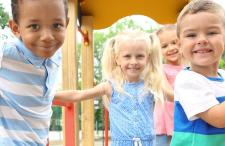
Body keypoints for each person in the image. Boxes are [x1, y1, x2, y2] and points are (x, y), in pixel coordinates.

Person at [55, 30, 173, 146]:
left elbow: (174, 97)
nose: (134, 61)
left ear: (147, 57)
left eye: (140, 56)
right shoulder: (111, 86)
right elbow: (78, 95)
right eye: (127, 56)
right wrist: (49, 95)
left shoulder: (152, 84)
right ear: (117, 59)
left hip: (148, 142)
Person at [0, 0, 69, 145]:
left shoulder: (55, 56)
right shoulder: (6, 53)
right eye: (34, 26)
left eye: (56, 25)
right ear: (16, 28)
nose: (47, 37)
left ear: (66, 24)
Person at [170, 0, 225, 146]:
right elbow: (219, 119)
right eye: (192, 35)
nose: (202, 40)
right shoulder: (187, 80)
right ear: (180, 45)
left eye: (212, 32)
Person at [153, 24, 184, 146]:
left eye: (175, 42)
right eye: (164, 46)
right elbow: (168, 93)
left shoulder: (190, 68)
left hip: (183, 120)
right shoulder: (159, 70)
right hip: (164, 124)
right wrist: (193, 100)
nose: (171, 48)